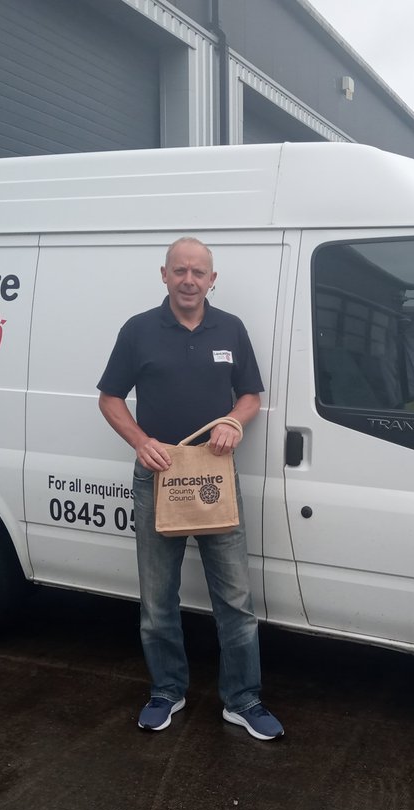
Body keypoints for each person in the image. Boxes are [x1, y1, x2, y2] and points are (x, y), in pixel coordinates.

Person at [96, 237, 284, 741]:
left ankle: (243, 700)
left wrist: (234, 422)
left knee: (236, 601)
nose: (189, 280)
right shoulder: (138, 331)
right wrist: (140, 441)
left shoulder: (231, 329)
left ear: (212, 279)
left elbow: (250, 396)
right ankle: (166, 691)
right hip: (159, 476)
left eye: (198, 272)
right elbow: (109, 398)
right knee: (158, 600)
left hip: (214, 476)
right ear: (163, 275)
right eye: (180, 270)